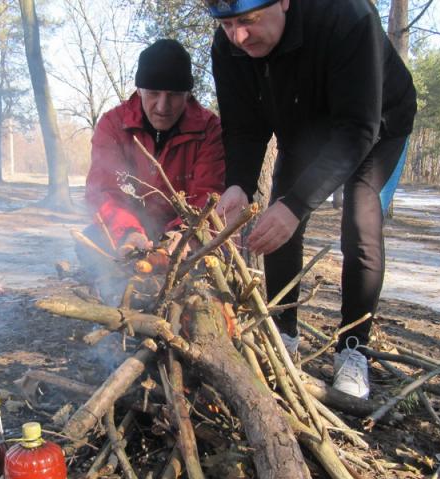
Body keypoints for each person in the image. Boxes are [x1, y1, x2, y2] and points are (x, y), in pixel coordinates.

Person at [207, 0, 417, 399]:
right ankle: (283, 335)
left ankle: (354, 349)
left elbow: (358, 129)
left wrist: (298, 204)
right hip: (303, 129)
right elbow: (244, 128)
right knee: (277, 223)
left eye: (248, 21)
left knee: (360, 218)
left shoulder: (349, 17)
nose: (238, 36)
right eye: (227, 24)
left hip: (376, 127)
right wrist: (238, 185)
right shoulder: (228, 45)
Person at [84, 39, 225, 258]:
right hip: (130, 225)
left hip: (185, 231)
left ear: (187, 94)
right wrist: (128, 232)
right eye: (153, 93)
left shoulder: (209, 129)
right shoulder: (113, 125)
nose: (162, 107)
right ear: (139, 90)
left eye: (174, 95)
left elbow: (209, 195)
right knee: (90, 246)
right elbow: (103, 190)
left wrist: (182, 234)